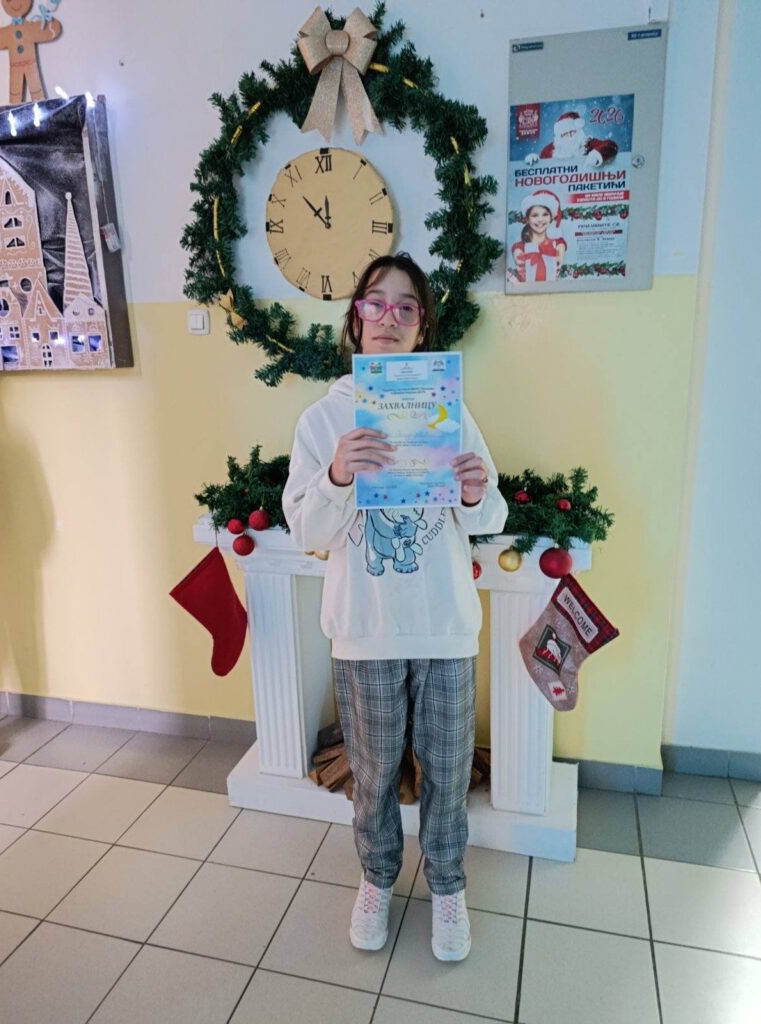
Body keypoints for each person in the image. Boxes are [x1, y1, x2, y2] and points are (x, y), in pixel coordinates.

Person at [282, 252, 507, 962]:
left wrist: (474, 492)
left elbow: (489, 515)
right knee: (374, 772)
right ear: (355, 319)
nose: (389, 316)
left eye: (406, 306)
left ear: (421, 326)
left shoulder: (449, 410)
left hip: (444, 624)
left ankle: (447, 886)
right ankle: (378, 878)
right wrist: (336, 473)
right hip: (365, 628)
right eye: (375, 303)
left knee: (447, 771)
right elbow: (307, 529)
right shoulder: (323, 420)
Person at [511, 189, 567, 283]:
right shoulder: (519, 247)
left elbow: (560, 248)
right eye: (535, 215)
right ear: (527, 219)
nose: (540, 219)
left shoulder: (557, 243)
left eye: (545, 214)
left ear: (550, 218)